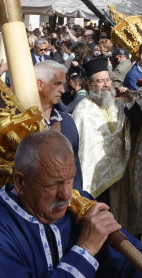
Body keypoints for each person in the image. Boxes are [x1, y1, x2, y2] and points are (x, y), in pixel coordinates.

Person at [0, 131, 142, 277]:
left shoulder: (77, 202)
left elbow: (126, 257)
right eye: (52, 184)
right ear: (21, 182)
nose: (66, 194)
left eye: (70, 178)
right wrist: (85, 249)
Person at [72, 59, 142, 231]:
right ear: (90, 84)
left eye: (108, 80)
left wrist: (129, 101)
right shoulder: (82, 112)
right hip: (97, 181)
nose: (106, 85)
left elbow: (137, 125)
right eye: (100, 81)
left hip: (121, 175)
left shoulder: (118, 104)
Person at [35, 59, 82, 190]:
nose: (62, 90)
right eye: (57, 84)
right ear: (40, 84)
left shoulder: (67, 121)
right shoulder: (21, 124)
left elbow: (75, 167)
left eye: (63, 84)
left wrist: (77, 194)